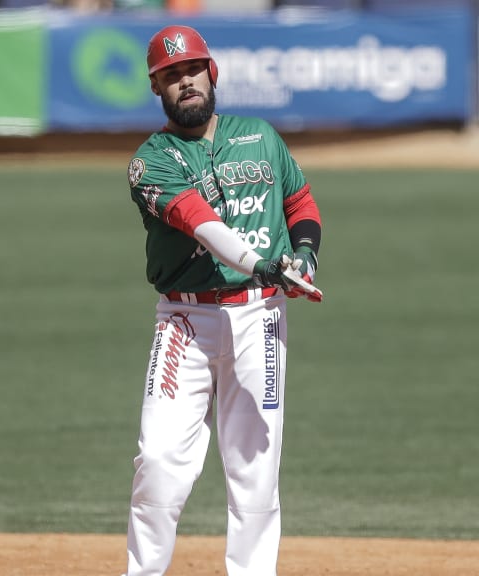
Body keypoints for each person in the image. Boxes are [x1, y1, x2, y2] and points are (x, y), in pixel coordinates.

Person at [123, 25, 323, 576]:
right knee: (160, 462)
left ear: (211, 73)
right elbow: (201, 224)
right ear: (156, 88)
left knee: (254, 467)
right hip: (184, 321)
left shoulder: (260, 135)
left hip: (261, 315)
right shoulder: (150, 160)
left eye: (191, 70)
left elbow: (300, 201)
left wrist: (304, 255)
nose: (183, 82)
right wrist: (261, 262)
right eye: (169, 76)